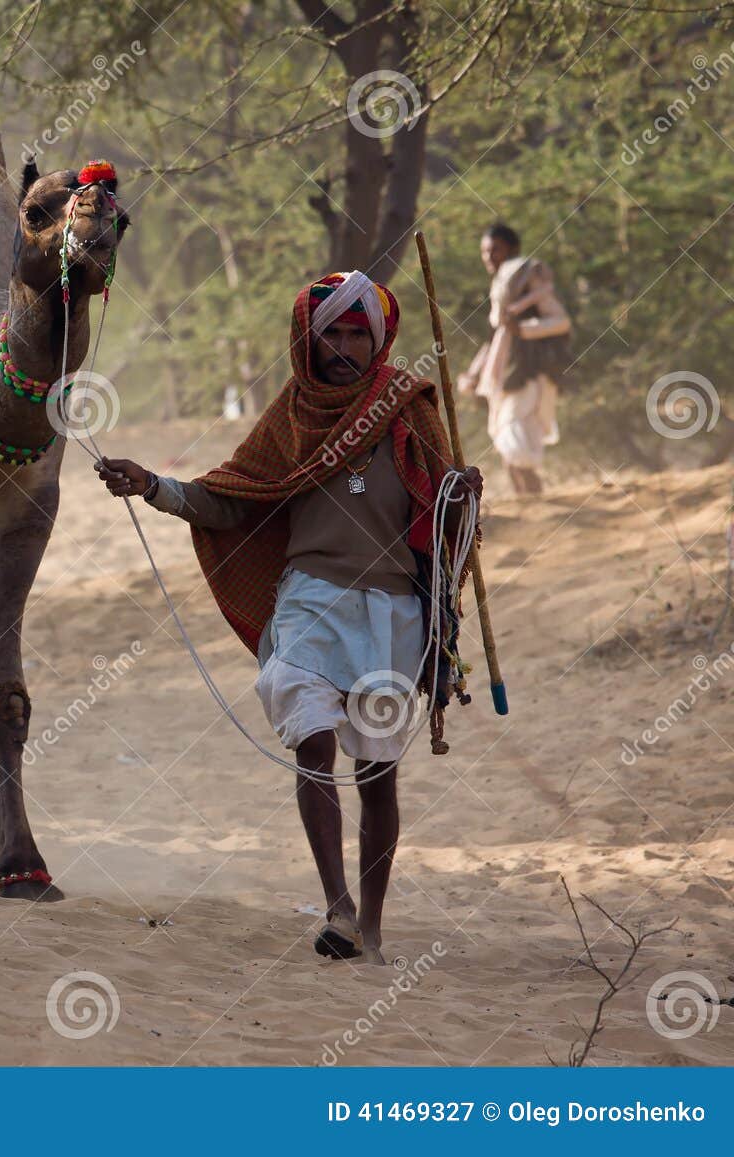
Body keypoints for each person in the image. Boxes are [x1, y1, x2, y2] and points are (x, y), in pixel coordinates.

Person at [96, 271, 481, 964]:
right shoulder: (291, 414)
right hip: (309, 599)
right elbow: (234, 496)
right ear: (309, 338)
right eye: (331, 331)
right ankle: (337, 905)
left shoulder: (410, 405)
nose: (343, 345)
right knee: (310, 739)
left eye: (356, 332)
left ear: (378, 338)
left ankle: (374, 924)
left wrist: (463, 493)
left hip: (393, 611)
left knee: (378, 775)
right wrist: (153, 486)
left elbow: (445, 515)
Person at [458, 223, 571, 496]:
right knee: (505, 437)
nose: (489, 256)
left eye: (495, 249)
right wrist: (474, 373)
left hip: (529, 368)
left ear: (512, 248)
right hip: (504, 368)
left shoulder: (528, 276)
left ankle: (537, 506)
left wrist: (523, 329)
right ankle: (530, 511)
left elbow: (561, 322)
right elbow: (496, 335)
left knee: (514, 434)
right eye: (485, 251)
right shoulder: (502, 284)